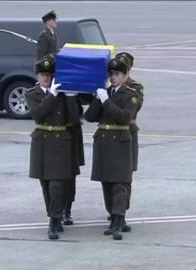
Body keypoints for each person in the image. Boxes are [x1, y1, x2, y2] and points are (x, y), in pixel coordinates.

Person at [24, 55, 80, 240]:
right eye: (42, 74)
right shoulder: (32, 93)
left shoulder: (63, 93)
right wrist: (52, 96)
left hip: (60, 141)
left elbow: (74, 119)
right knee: (45, 184)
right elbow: (37, 114)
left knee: (57, 184)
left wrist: (71, 97)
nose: (46, 78)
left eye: (49, 74)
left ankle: (54, 220)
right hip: (41, 141)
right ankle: (54, 215)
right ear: (37, 76)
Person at [84, 58, 139, 240]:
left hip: (121, 141)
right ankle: (112, 216)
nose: (113, 77)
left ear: (125, 76)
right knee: (107, 182)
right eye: (111, 74)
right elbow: (90, 117)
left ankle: (118, 219)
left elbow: (124, 117)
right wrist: (96, 98)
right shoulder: (104, 93)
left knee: (120, 184)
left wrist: (106, 101)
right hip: (104, 142)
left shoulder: (130, 94)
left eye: (117, 74)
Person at [110, 52, 144, 232]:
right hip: (111, 135)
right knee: (113, 178)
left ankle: (121, 211)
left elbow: (134, 108)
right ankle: (116, 210)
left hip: (128, 132)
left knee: (125, 176)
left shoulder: (135, 88)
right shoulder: (110, 88)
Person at [63, 98, 84, 226]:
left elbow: (86, 99)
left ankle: (67, 210)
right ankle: (56, 210)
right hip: (53, 135)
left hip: (71, 132)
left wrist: (71, 96)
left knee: (70, 175)